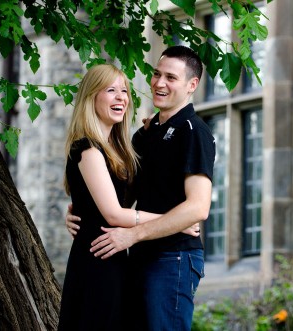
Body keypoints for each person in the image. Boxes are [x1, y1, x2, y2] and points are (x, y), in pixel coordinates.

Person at [66, 46, 216, 330]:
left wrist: (133, 235)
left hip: (174, 257)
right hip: (135, 257)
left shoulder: (194, 132)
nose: (160, 83)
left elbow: (198, 208)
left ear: (191, 85)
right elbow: (117, 195)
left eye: (171, 77)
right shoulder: (143, 136)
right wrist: (79, 210)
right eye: (157, 74)